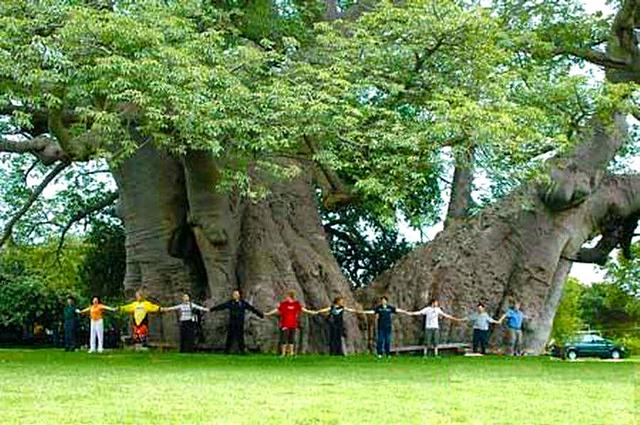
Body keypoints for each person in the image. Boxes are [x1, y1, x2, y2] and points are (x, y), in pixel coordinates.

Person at [210, 289, 264, 354]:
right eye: (234, 294)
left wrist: (260, 314)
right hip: (232, 322)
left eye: (236, 294)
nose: (234, 295)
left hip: (240, 323)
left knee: (240, 337)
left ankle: (242, 350)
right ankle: (226, 350)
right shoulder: (230, 303)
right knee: (229, 336)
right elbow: (222, 306)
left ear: (239, 295)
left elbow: (252, 308)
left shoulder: (243, 303)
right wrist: (211, 309)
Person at [265, 290, 317, 357]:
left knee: (291, 339)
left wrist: (311, 312)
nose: (286, 297)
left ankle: (291, 352)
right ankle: (283, 353)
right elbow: (277, 310)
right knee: (284, 339)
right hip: (285, 324)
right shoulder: (284, 304)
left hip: (293, 324)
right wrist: (268, 313)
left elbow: (303, 310)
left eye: (287, 296)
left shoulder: (296, 304)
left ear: (290, 296)